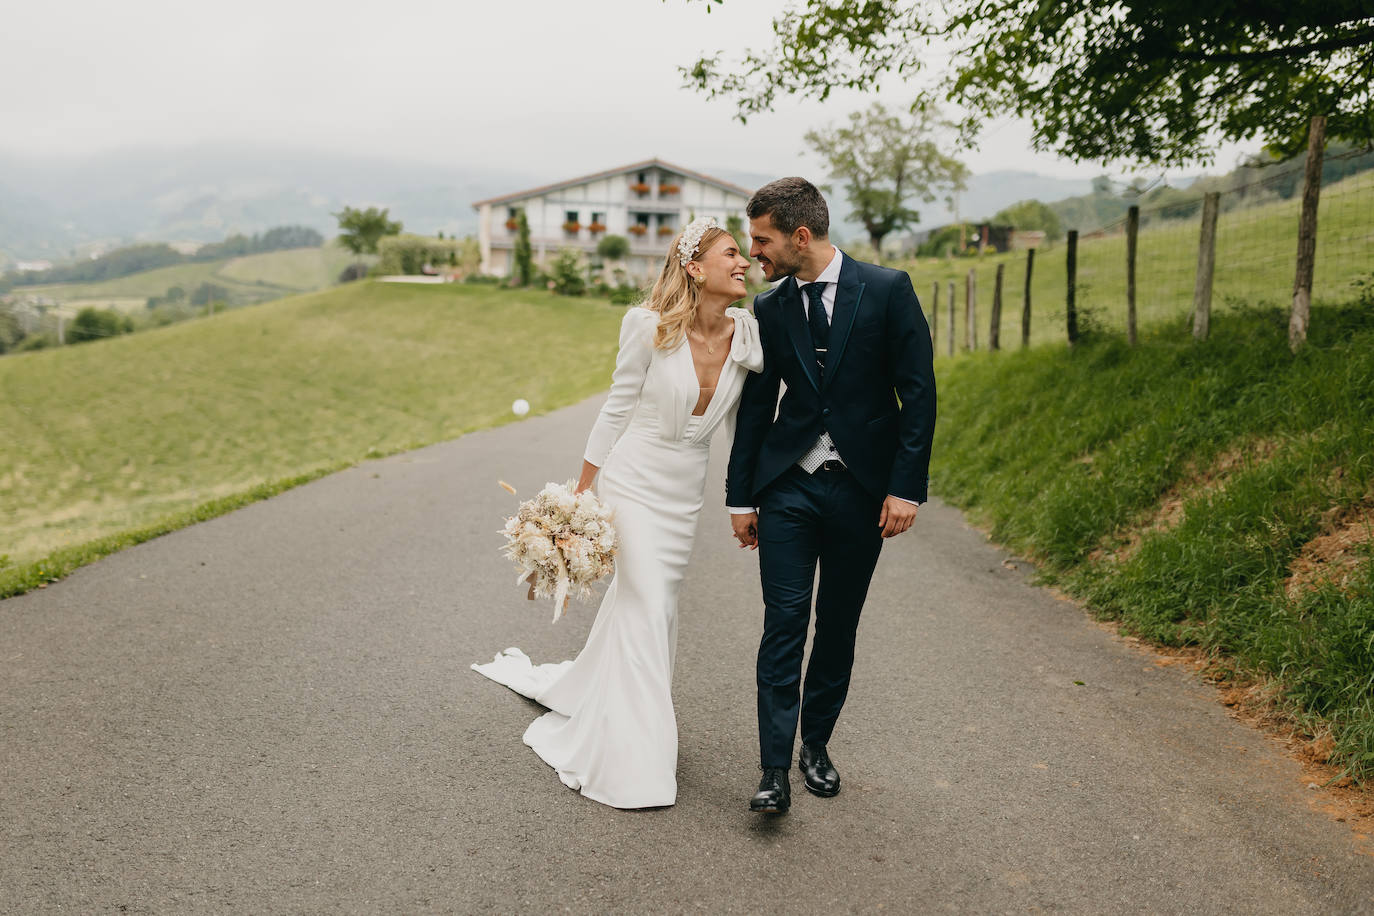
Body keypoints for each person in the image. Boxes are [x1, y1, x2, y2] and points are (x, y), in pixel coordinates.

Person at [473, 218, 762, 809]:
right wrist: (582, 491)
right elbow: (616, 407)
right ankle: (637, 760)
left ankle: (609, 703)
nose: (744, 262)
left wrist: (745, 499)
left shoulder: (747, 334)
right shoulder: (648, 327)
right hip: (632, 483)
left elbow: (739, 430)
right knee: (648, 603)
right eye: (732, 253)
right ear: (694, 267)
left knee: (653, 608)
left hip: (685, 494)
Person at [727, 177, 936, 815]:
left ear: (800, 235)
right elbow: (756, 411)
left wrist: (907, 487)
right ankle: (772, 770)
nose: (754, 252)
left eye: (762, 240)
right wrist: (742, 498)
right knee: (783, 624)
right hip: (788, 487)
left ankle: (814, 746)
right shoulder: (770, 307)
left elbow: (918, 393)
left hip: (862, 492)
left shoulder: (888, 290)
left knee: (837, 625)